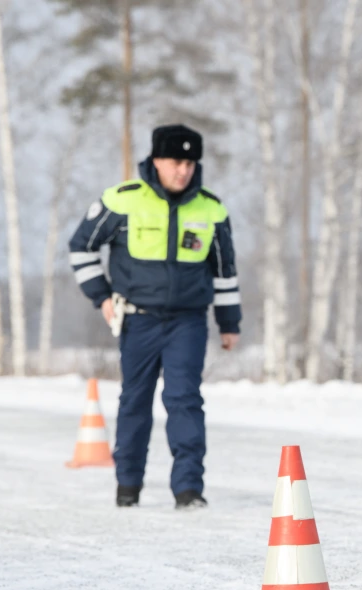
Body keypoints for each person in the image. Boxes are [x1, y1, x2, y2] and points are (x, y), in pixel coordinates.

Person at [68, 124, 242, 510]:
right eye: (176, 161)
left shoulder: (211, 209)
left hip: (188, 321)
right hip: (138, 319)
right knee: (135, 400)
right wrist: (101, 297)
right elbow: (81, 247)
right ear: (157, 160)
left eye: (190, 163)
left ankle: (188, 490)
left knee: (184, 399)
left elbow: (225, 271)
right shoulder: (122, 200)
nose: (183, 170)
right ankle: (128, 486)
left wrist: (230, 323)